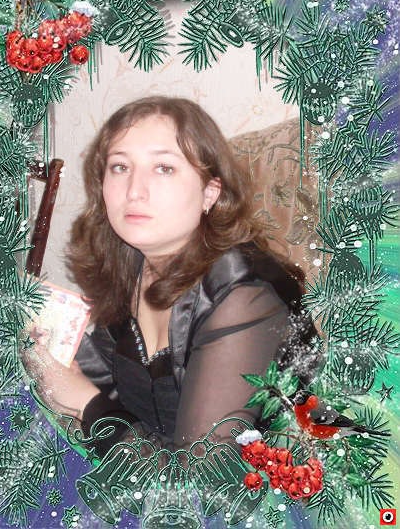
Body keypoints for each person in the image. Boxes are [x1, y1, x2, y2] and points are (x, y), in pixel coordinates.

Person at [25, 96, 320, 457]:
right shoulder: (132, 264)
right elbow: (115, 383)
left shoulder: (245, 297)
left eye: (164, 168)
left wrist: (86, 404)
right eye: (120, 167)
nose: (135, 190)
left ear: (209, 193)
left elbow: (202, 477)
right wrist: (51, 347)